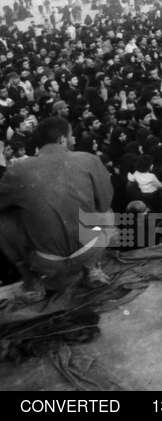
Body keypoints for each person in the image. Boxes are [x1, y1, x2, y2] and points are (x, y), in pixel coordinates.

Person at [0, 116, 113, 303]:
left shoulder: (18, 169)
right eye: (72, 136)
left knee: (4, 218)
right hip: (92, 247)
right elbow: (104, 203)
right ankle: (93, 268)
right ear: (62, 139)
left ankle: (32, 282)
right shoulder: (89, 159)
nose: (74, 139)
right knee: (105, 209)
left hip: (46, 262)